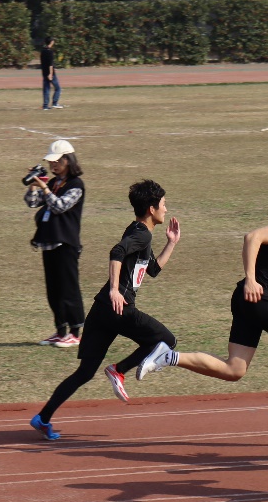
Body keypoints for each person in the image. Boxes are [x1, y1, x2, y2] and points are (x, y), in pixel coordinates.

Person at [135, 178, 268, 429]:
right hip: (260, 298)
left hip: (246, 299)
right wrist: (251, 279)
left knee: (234, 369)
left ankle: (169, 357)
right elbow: (252, 238)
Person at [30, 180, 180, 440]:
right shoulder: (141, 234)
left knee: (85, 372)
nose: (166, 210)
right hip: (117, 306)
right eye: (164, 205)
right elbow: (117, 251)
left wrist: (172, 243)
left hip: (102, 310)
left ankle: (42, 418)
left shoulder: (140, 232)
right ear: (152, 209)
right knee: (166, 340)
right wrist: (114, 289)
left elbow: (152, 270)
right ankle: (118, 370)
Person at [26, 139, 86, 347]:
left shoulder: (76, 185)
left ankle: (75, 332)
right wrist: (35, 186)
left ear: (68, 160)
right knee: (53, 290)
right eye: (51, 162)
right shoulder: (53, 183)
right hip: (48, 242)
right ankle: (61, 331)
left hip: (66, 244)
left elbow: (60, 206)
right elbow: (32, 203)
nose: (53, 165)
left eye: (57, 161)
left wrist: (45, 188)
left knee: (69, 289)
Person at [40, 37, 62, 110]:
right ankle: (55, 103)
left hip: (44, 72)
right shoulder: (50, 52)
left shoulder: (43, 51)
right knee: (58, 88)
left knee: (46, 89)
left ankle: (45, 106)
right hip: (50, 73)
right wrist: (51, 73)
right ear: (51, 42)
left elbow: (44, 63)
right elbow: (50, 64)